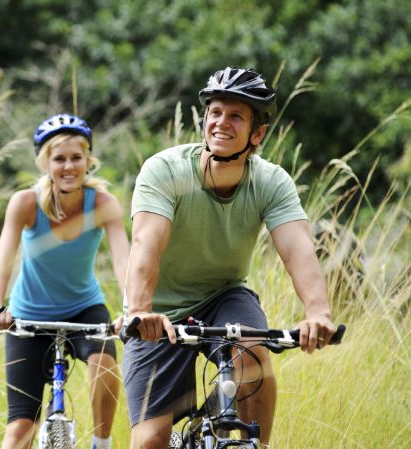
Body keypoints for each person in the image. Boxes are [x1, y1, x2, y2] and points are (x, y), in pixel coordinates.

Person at [122, 67, 337, 448]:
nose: (221, 122)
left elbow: (298, 249)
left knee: (254, 351)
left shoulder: (271, 181)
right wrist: (140, 309)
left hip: (225, 296)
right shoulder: (165, 170)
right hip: (158, 312)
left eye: (236, 116)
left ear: (257, 133)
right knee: (149, 440)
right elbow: (145, 244)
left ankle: (257, 445)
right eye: (215, 112)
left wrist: (318, 313)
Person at [0, 113, 130, 449]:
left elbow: (125, 261)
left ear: (88, 161)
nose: (68, 166)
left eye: (76, 158)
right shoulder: (25, 203)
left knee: (105, 365)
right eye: (59, 158)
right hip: (28, 315)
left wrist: (130, 309)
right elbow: (3, 261)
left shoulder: (104, 204)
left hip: (84, 309)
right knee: (20, 429)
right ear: (45, 163)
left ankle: (102, 443)